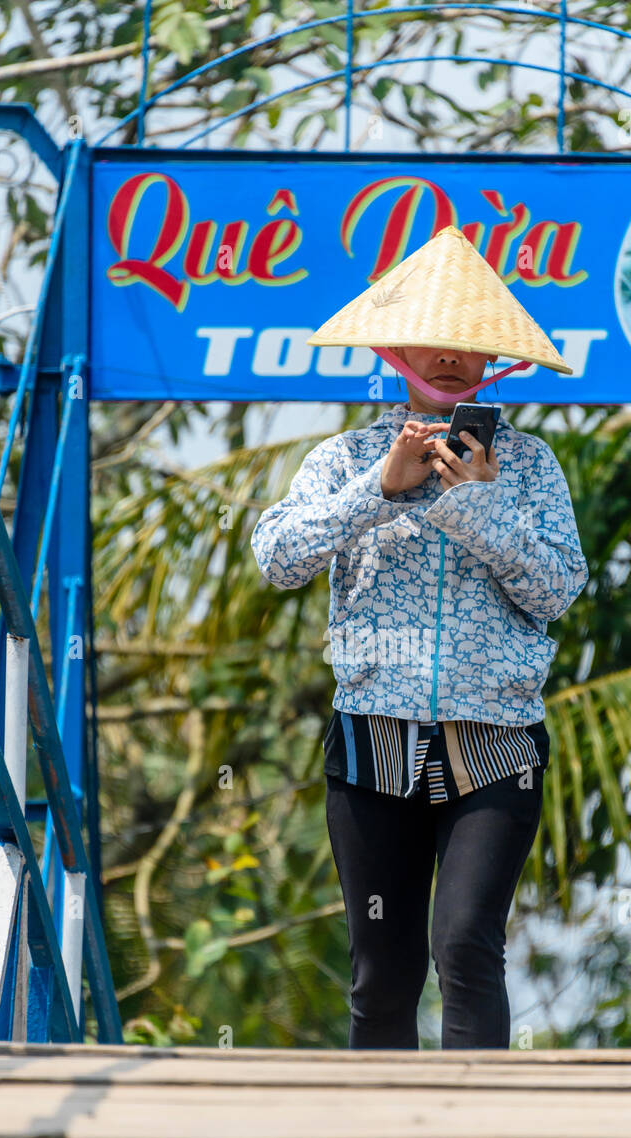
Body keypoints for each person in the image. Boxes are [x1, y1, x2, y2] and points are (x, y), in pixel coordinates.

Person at [251, 225, 587, 1050]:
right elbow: (277, 559)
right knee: (383, 967)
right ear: (396, 349)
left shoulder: (532, 466)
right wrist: (380, 488)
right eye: (429, 341)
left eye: (466, 344)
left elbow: (556, 590)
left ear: (489, 361)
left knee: (466, 946)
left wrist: (474, 503)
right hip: (374, 746)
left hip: (495, 747)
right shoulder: (342, 458)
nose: (447, 358)